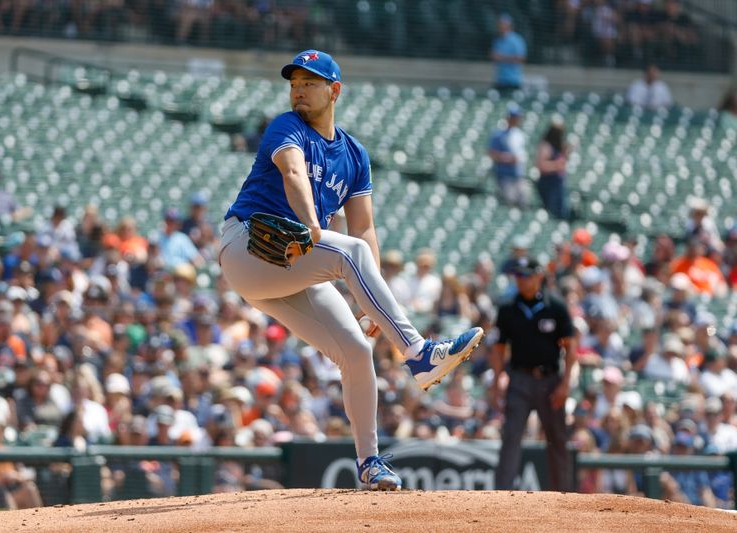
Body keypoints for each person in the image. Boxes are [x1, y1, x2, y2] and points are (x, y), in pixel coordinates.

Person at [219, 49, 484, 491]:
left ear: (334, 90)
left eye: (310, 82)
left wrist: (372, 302)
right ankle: (419, 355)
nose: (298, 89)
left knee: (357, 351)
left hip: (291, 263)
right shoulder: (287, 127)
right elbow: (293, 175)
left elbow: (364, 227)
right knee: (346, 251)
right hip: (247, 247)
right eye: (294, 82)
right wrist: (313, 227)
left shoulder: (354, 154)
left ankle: (369, 463)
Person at [490, 258, 577, 491]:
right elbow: (498, 347)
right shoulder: (507, 308)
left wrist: (566, 384)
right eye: (518, 275)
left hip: (550, 380)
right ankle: (502, 493)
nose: (521, 280)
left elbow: (570, 348)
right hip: (519, 379)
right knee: (511, 437)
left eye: (526, 275)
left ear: (539, 276)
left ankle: (564, 494)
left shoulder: (556, 306)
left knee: (557, 438)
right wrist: (498, 378)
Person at [488, 104, 528, 208]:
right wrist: (507, 158)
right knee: (510, 203)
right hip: (504, 176)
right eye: (514, 117)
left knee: (523, 202)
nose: (516, 120)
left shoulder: (519, 134)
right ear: (508, 118)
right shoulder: (498, 134)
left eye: (517, 117)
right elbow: (492, 154)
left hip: (518, 175)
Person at [535, 118, 570, 220]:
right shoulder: (546, 145)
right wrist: (556, 165)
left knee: (560, 214)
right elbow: (541, 166)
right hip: (548, 184)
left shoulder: (558, 146)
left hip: (558, 184)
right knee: (552, 214)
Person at [491, 14, 527, 92]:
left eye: (503, 24)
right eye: (499, 24)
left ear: (508, 25)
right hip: (500, 80)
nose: (500, 27)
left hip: (513, 81)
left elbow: (521, 58)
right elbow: (494, 56)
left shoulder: (516, 40)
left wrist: (502, 58)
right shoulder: (497, 40)